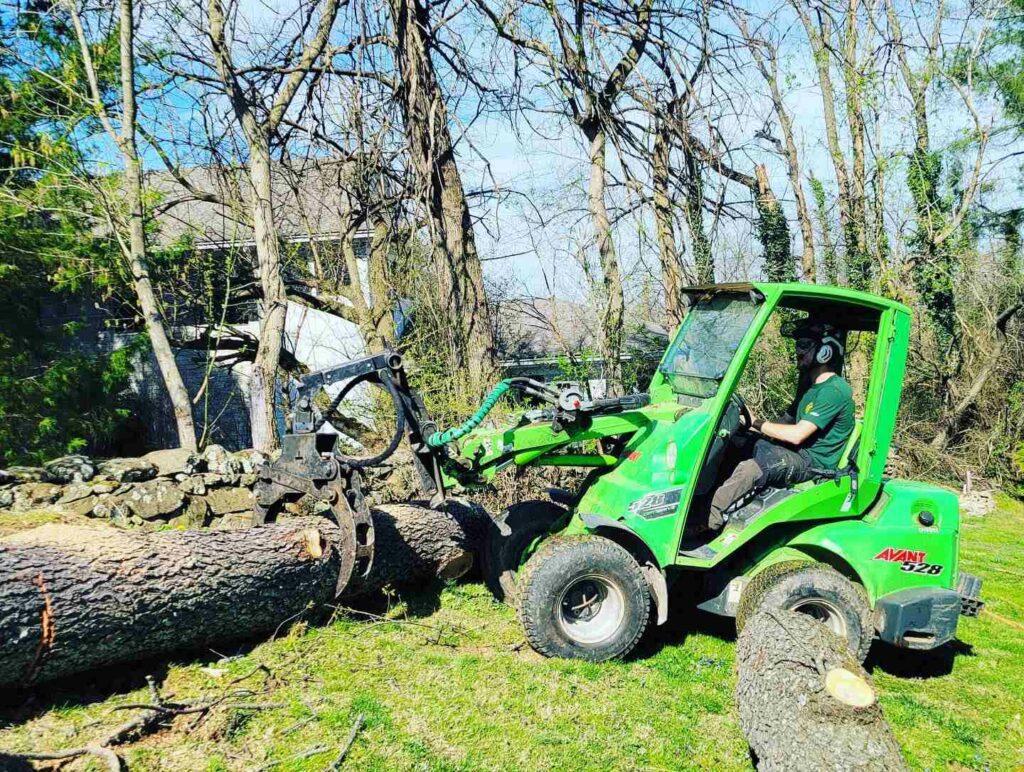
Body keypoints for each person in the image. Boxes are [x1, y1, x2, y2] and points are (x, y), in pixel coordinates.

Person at [707, 319, 856, 533]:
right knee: (735, 444)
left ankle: (710, 524)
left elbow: (797, 435)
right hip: (796, 453)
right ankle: (703, 506)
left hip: (812, 462)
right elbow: (783, 423)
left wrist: (758, 423)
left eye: (805, 345)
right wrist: (750, 423)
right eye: (798, 344)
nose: (797, 351)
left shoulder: (834, 391)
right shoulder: (810, 388)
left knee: (752, 468)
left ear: (825, 352)